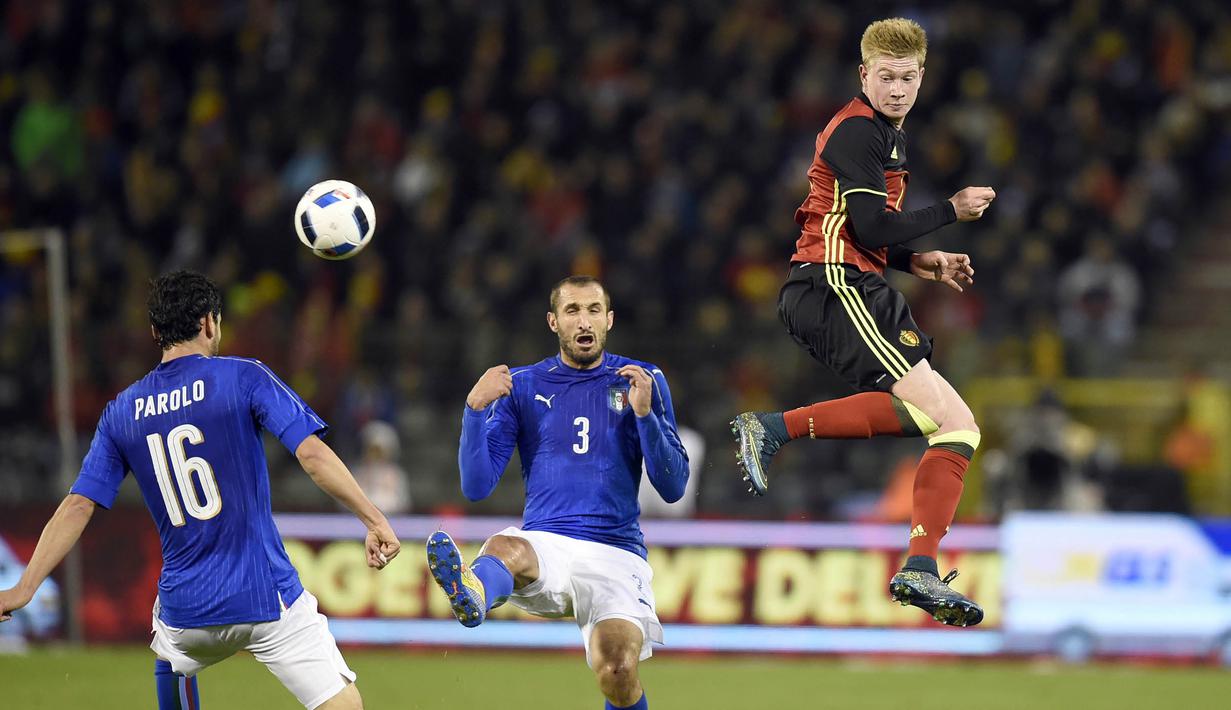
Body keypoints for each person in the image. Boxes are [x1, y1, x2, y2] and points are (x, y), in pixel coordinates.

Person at [0, 270, 401, 709]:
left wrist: (25, 587)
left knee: (171, 655)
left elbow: (78, 504)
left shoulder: (122, 411)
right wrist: (373, 518)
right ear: (210, 322)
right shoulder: (243, 377)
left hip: (186, 613)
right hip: (265, 597)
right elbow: (312, 455)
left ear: (155, 331)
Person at [730, 17, 993, 627]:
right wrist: (951, 210)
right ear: (863, 74)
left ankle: (920, 566)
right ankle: (772, 430)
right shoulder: (858, 131)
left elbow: (859, 227)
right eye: (886, 77)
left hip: (845, 280)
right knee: (944, 418)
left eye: (907, 78)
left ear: (922, 78)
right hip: (833, 284)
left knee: (953, 425)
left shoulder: (884, 134)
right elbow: (869, 227)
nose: (897, 89)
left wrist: (915, 260)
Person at [427, 275, 688, 710]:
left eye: (593, 310)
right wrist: (473, 410)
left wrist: (645, 416)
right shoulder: (523, 385)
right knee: (505, 546)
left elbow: (673, 486)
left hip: (616, 551)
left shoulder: (643, 379)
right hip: (548, 544)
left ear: (609, 319)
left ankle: (480, 591)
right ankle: (474, 593)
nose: (584, 321)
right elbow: (476, 486)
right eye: (572, 310)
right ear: (553, 322)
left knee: (618, 669)